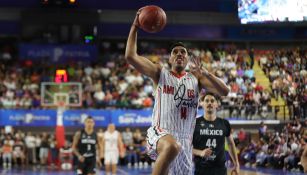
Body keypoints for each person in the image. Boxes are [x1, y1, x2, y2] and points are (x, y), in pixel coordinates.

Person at [125, 8, 229, 175]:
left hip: (185, 141)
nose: (179, 54)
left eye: (183, 52)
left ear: (187, 59)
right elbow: (130, 56)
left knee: (176, 148)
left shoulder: (197, 79)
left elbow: (225, 91)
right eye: (175, 52)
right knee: (172, 146)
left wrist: (207, 73)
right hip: (160, 133)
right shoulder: (160, 73)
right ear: (170, 59)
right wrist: (135, 26)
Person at [192, 93, 239, 175]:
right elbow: (186, 147)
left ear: (217, 104)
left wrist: (236, 163)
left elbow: (231, 144)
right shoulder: (195, 123)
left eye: (212, 101)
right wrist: (200, 152)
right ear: (202, 104)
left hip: (220, 169)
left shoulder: (224, 123)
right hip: (200, 169)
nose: (209, 103)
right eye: (207, 101)